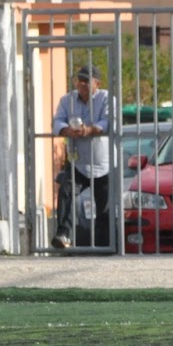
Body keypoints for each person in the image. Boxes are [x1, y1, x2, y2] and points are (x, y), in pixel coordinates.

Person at [52, 65, 114, 250]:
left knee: (105, 206)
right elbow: (57, 121)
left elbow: (108, 122)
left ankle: (105, 246)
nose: (82, 84)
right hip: (77, 163)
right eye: (79, 80)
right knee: (66, 191)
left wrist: (90, 130)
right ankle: (64, 234)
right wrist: (66, 130)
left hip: (103, 163)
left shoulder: (106, 98)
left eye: (86, 80)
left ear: (97, 83)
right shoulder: (67, 100)